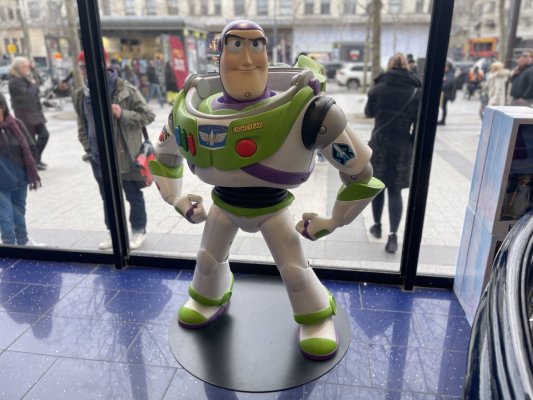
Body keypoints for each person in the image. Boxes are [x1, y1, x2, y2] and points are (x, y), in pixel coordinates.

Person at [149, 19, 383, 360]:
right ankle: (209, 297)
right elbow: (164, 157)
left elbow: (360, 172)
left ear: (266, 52)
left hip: (272, 208)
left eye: (255, 45)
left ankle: (316, 317)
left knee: (295, 273)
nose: (246, 58)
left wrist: (334, 220)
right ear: (220, 54)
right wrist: (176, 199)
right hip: (223, 204)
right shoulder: (192, 109)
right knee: (208, 261)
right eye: (236, 45)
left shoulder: (307, 111)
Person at [74, 50, 155, 250]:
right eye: (83, 67)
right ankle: (114, 232)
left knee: (133, 196)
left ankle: (138, 230)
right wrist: (89, 147)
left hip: (125, 156)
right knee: (108, 199)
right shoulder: (81, 95)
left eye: (90, 67)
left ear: (104, 64)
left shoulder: (124, 89)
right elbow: (83, 125)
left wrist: (123, 114)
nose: (86, 71)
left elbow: (148, 115)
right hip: (99, 158)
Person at [365, 53, 421, 253]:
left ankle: (377, 226)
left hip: (380, 143)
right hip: (402, 145)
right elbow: (419, 124)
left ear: (389, 66)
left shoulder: (378, 88)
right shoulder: (416, 91)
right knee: (395, 191)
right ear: (407, 66)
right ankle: (393, 236)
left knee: (377, 187)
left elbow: (369, 113)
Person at [0, 92, 43, 246]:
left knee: (19, 212)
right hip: (1, 183)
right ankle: (9, 245)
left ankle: (23, 242)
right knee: (6, 216)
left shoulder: (16, 124)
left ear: (3, 108)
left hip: (20, 179)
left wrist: (29, 169)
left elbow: (31, 147)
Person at [8, 56, 50, 171]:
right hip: (25, 116)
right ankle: (33, 162)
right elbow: (28, 96)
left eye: (28, 66)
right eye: (24, 67)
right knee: (31, 141)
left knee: (44, 135)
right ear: (17, 68)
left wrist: (34, 72)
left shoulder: (26, 78)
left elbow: (38, 85)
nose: (27, 69)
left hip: (35, 114)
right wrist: (32, 83)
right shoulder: (14, 82)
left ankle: (35, 159)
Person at [438, 61, 456, 126]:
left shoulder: (450, 74)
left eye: (446, 66)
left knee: (444, 107)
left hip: (446, 94)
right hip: (443, 93)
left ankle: (443, 120)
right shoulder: (446, 73)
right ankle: (442, 120)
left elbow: (448, 84)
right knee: (443, 107)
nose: (445, 68)